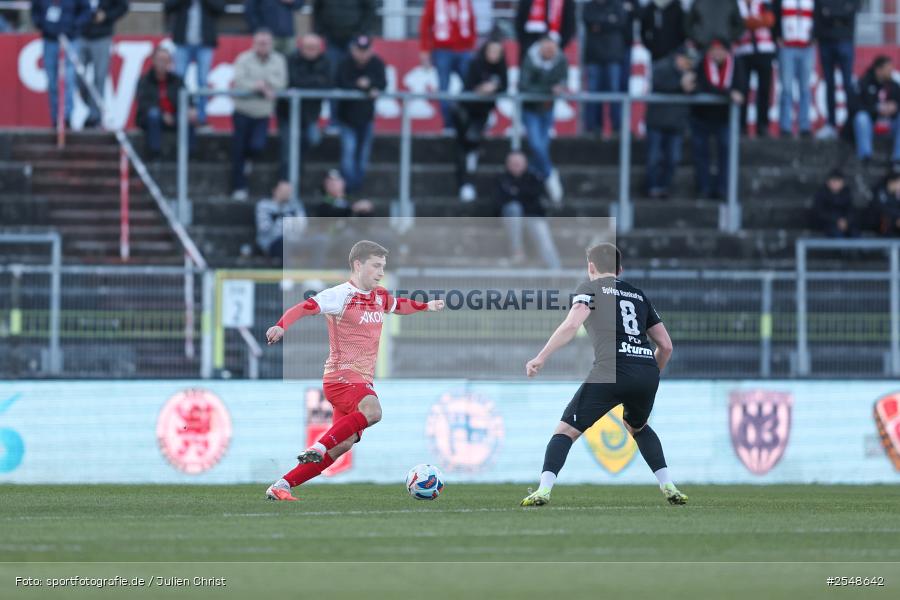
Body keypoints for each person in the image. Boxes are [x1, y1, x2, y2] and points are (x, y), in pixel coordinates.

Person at [264, 241, 446, 501]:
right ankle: (318, 445)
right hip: (341, 378)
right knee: (373, 412)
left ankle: (282, 485)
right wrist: (281, 326)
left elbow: (399, 305)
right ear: (358, 265)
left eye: (383, 267)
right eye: (375, 266)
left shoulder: (380, 296)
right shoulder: (339, 295)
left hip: (359, 381)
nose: (380, 272)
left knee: (342, 445)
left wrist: (426, 306)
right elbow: (304, 308)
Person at [520, 242, 687, 507]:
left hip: (611, 369)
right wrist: (650, 374)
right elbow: (666, 346)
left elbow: (572, 324)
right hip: (645, 371)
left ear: (590, 267)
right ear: (620, 269)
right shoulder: (638, 294)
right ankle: (668, 484)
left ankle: (543, 490)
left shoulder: (590, 289)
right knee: (637, 426)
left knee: (565, 431)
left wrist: (540, 357)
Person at [230, 29, 287, 201]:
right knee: (238, 151)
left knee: (257, 145)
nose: (263, 46)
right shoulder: (243, 58)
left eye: (266, 43)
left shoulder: (279, 60)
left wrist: (264, 84)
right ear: (254, 44)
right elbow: (239, 82)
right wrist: (260, 87)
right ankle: (239, 187)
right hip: (242, 110)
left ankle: (249, 159)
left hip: (263, 113)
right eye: (260, 43)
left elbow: (282, 83)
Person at [453, 36, 507, 202]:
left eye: (497, 51)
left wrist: (494, 88)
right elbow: (468, 87)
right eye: (491, 50)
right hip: (466, 111)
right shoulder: (475, 64)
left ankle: (468, 182)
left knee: (473, 146)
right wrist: (480, 90)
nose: (494, 55)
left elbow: (504, 86)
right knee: (465, 146)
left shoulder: (500, 68)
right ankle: (464, 183)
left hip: (482, 113)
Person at [691, 39, 745, 200]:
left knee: (726, 151)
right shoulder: (701, 64)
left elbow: (741, 87)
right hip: (701, 118)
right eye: (713, 50)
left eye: (720, 50)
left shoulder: (736, 65)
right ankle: (704, 187)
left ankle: (723, 188)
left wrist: (725, 92)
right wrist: (727, 94)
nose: (716, 53)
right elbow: (702, 86)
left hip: (725, 119)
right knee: (701, 154)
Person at [519, 36, 568, 204]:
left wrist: (559, 87)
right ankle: (550, 176)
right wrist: (548, 89)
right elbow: (524, 86)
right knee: (535, 144)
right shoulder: (529, 59)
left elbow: (563, 79)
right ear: (540, 48)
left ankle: (537, 179)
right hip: (530, 109)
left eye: (552, 50)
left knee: (542, 146)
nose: (549, 53)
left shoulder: (560, 59)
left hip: (548, 108)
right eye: (546, 49)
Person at [492, 151, 561, 268]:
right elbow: (498, 203)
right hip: (510, 219)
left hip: (532, 217)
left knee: (542, 234)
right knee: (514, 209)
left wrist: (516, 194)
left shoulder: (534, 178)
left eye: (519, 163)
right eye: (513, 163)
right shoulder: (501, 179)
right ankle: (517, 252)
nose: (516, 166)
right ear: (507, 164)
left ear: (525, 164)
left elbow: (538, 203)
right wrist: (522, 197)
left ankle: (557, 272)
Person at [335, 35, 387, 193]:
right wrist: (360, 86)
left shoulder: (377, 63)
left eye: (366, 51)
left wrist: (370, 85)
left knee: (363, 158)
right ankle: (349, 189)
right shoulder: (345, 63)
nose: (362, 54)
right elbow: (340, 82)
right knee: (348, 155)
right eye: (359, 50)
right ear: (353, 50)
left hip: (367, 118)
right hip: (347, 118)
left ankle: (357, 188)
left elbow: (382, 83)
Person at [277, 33, 331, 179]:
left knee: (311, 140)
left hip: (310, 115)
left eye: (314, 48)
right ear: (300, 47)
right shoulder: (290, 60)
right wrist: (314, 82)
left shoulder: (326, 62)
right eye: (308, 47)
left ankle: (296, 178)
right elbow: (292, 81)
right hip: (288, 113)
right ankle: (285, 183)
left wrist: (306, 83)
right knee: (288, 151)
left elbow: (327, 83)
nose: (311, 51)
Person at [31, 0, 92, 129]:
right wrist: (43, 25)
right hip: (50, 40)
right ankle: (56, 118)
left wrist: (74, 26)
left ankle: (67, 117)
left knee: (68, 80)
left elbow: (86, 11)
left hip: (70, 39)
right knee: (52, 81)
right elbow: (35, 11)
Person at [313, 0, 376, 123]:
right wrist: (320, 30)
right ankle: (334, 121)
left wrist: (362, 32)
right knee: (333, 80)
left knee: (352, 79)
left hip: (353, 38)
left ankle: (351, 122)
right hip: (331, 38)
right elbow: (317, 8)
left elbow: (369, 9)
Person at [164, 0, 226, 127]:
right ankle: (178, 115)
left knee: (202, 81)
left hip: (205, 43)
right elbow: (167, 6)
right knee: (178, 80)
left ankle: (201, 118)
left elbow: (221, 8)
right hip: (182, 42)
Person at [646, 46, 696, 199]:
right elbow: (659, 84)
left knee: (673, 157)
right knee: (654, 157)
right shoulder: (662, 67)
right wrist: (680, 85)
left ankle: (665, 186)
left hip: (676, 122)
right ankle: (652, 186)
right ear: (679, 58)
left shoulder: (690, 72)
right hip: (657, 120)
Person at [419, 0, 478, 131]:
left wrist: (472, 45)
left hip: (464, 50)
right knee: (443, 89)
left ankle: (469, 120)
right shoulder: (434, 2)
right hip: (442, 50)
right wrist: (424, 49)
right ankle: (449, 123)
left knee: (471, 85)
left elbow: (472, 21)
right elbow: (425, 24)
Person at [135, 44, 196, 158]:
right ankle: (155, 153)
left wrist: (191, 108)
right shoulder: (145, 80)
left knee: (187, 118)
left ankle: (189, 155)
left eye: (166, 60)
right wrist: (163, 114)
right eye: (160, 60)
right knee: (154, 114)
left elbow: (187, 98)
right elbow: (143, 103)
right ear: (153, 61)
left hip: (174, 116)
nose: (163, 63)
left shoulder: (177, 80)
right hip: (153, 117)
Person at [78, 0, 129, 128]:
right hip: (80, 33)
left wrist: (106, 15)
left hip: (102, 35)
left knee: (99, 78)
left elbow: (123, 6)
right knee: (75, 75)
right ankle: (92, 105)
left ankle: (94, 117)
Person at [582, 0, 628, 137]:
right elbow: (589, 21)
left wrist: (600, 24)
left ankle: (616, 128)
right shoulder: (588, 6)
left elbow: (620, 22)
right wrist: (609, 20)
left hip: (613, 56)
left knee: (614, 93)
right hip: (593, 56)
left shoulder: (617, 5)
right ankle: (592, 128)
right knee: (593, 93)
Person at [815, 0, 860, 140]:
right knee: (829, 84)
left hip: (845, 40)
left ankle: (851, 123)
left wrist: (830, 14)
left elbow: (852, 9)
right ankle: (831, 124)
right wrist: (839, 15)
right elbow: (819, 13)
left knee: (848, 84)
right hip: (826, 42)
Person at [773, 0, 815, 138]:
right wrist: (776, 36)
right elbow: (774, 15)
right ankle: (785, 126)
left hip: (807, 47)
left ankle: (804, 126)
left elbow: (818, 16)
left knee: (805, 88)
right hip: (787, 47)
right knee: (786, 88)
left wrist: (815, 36)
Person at [734, 0, 776, 137]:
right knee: (743, 89)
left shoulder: (764, 2)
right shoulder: (736, 3)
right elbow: (736, 22)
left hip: (765, 50)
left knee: (764, 90)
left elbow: (770, 19)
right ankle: (741, 126)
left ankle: (762, 125)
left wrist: (750, 22)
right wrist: (757, 21)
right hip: (743, 51)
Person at [852, 56, 900, 167]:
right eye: (888, 69)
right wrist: (877, 109)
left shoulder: (894, 85)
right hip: (871, 125)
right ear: (878, 70)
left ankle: (898, 159)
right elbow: (854, 106)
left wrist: (894, 107)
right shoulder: (863, 84)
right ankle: (865, 157)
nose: (891, 72)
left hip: (890, 125)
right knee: (861, 117)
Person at [813, 168, 856, 237]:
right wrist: (836, 220)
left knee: (855, 234)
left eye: (838, 181)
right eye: (833, 180)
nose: (836, 183)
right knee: (836, 234)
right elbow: (820, 213)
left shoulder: (847, 194)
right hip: (827, 225)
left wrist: (846, 221)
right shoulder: (822, 194)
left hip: (845, 224)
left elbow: (851, 211)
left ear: (843, 182)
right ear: (828, 182)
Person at [871, 169, 900, 237]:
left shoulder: (897, 194)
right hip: (879, 226)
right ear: (892, 182)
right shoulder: (880, 192)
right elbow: (883, 210)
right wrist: (896, 219)